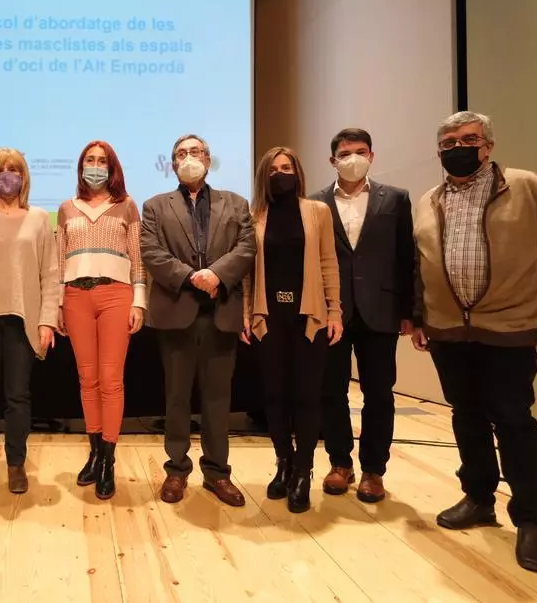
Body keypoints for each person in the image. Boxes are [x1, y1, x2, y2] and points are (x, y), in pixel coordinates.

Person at [412, 111, 537, 573]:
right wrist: (420, 317)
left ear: (488, 145)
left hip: (509, 327)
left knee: (513, 421)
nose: (458, 148)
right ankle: (479, 498)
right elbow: (419, 264)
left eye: (469, 139)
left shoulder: (527, 187)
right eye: (448, 142)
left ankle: (531, 520)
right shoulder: (428, 200)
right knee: (466, 416)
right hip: (448, 330)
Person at [140, 134, 255, 507]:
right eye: (181, 153)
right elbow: (151, 252)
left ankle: (217, 473)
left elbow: (247, 247)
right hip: (177, 312)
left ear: (208, 159)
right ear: (172, 163)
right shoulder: (155, 206)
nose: (188, 158)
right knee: (176, 397)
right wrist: (192, 277)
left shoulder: (235, 203)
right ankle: (176, 470)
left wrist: (217, 274)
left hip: (221, 312)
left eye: (195, 152)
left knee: (218, 399)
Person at [312, 129, 414, 503]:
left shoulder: (396, 199)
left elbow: (407, 257)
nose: (352, 158)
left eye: (360, 151)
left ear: (371, 155)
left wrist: (410, 311)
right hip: (331, 312)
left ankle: (374, 470)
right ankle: (340, 463)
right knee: (331, 392)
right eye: (344, 153)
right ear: (332, 160)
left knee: (379, 394)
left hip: (381, 310)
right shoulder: (316, 203)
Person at [241, 147, 342, 513]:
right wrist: (246, 313)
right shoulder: (253, 217)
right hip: (268, 318)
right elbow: (248, 271)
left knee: (307, 396)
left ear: (297, 172)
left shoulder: (317, 211)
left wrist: (335, 311)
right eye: (273, 170)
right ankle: (283, 463)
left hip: (308, 317)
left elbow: (328, 262)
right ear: (263, 177)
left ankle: (303, 470)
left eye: (286, 168)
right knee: (274, 396)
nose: (280, 174)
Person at [0, 147, 59, 502]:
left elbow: (50, 273)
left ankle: (16, 464)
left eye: (15, 169)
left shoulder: (39, 218)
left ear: (24, 176)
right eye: (1, 170)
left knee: (18, 396)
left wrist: (47, 320)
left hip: (24, 318)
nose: (8, 175)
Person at [56, 140, 146, 500]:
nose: (95, 165)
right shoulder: (66, 208)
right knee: (87, 378)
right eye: (89, 160)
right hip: (75, 297)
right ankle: (94, 452)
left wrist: (139, 302)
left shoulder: (127, 206)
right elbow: (60, 260)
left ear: (112, 167)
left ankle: (109, 459)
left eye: (102, 160)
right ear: (81, 166)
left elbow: (137, 258)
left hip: (116, 295)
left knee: (111, 380)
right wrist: (58, 305)